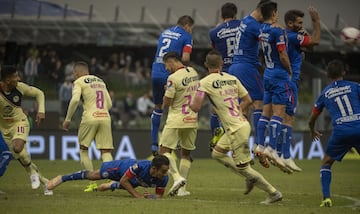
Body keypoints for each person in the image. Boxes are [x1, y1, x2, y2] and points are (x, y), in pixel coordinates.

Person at [190, 50, 282, 204]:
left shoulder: (204, 82)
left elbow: (196, 107)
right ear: (221, 64)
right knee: (217, 154)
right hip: (240, 123)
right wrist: (237, 109)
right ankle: (249, 175)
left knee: (244, 168)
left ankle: (273, 193)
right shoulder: (232, 79)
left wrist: (190, 100)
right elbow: (248, 99)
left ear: (205, 65)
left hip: (236, 129)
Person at [308, 60, 360, 207]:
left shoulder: (325, 93)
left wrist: (312, 131)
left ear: (327, 74)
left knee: (326, 163)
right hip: (358, 126)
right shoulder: (355, 87)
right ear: (344, 72)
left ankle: (326, 199)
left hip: (341, 131)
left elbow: (312, 118)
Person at [277, 7, 321, 172]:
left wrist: (304, 33)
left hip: (284, 80)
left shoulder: (286, 35)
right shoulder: (293, 37)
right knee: (288, 118)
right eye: (300, 22)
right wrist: (316, 22)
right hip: (290, 80)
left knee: (284, 117)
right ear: (290, 23)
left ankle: (282, 154)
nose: (302, 25)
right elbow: (315, 43)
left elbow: (311, 48)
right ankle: (285, 155)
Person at [0, 65, 52, 195]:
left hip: (20, 123)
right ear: (7, 80)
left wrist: (41, 111)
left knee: (18, 148)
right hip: (3, 130)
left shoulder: (20, 87)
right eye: (15, 77)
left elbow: (39, 93)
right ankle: (44, 181)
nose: (18, 78)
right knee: (21, 156)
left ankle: (33, 174)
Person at [63, 61, 114, 192]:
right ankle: (112, 180)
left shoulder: (79, 82)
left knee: (83, 149)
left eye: (74, 74)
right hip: (105, 117)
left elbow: (74, 100)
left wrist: (68, 119)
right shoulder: (100, 81)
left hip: (90, 117)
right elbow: (109, 104)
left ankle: (92, 184)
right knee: (105, 151)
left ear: (76, 73)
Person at [254, 1, 293, 173]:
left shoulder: (261, 29)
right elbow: (283, 54)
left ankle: (260, 145)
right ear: (275, 13)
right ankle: (271, 149)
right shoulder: (278, 31)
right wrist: (289, 71)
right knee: (279, 113)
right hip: (279, 74)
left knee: (265, 112)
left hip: (267, 73)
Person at [151, 15, 194, 156]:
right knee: (176, 105)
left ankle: (153, 144)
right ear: (187, 25)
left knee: (158, 107)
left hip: (156, 72)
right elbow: (186, 58)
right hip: (171, 73)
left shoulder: (165, 32)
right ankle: (175, 141)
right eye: (191, 28)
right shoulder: (186, 36)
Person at [228, 0, 269, 150]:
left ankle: (239, 143)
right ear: (262, 11)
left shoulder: (245, 20)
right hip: (246, 67)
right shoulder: (254, 26)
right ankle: (259, 144)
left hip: (235, 67)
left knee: (244, 105)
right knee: (259, 103)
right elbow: (269, 40)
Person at [158, 52, 199, 197]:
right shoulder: (193, 72)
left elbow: (168, 102)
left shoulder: (173, 78)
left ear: (171, 62)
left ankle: (177, 178)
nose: (166, 68)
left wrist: (163, 102)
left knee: (164, 151)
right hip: (192, 119)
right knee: (186, 154)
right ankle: (182, 189)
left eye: (165, 65)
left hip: (176, 118)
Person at [47, 155, 170, 199]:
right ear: (154, 169)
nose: (165, 174)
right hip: (121, 168)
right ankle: (62, 178)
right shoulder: (140, 167)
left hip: (133, 180)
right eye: (163, 171)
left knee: (128, 185)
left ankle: (111, 185)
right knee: (94, 176)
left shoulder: (164, 179)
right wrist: (137, 195)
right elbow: (124, 180)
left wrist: (152, 196)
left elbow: (159, 195)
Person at [208, 2, 241, 144]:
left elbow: (214, 51)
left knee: (216, 108)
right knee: (239, 108)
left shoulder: (214, 32)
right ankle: (236, 142)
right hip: (240, 69)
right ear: (235, 14)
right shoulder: (243, 25)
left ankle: (216, 136)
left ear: (221, 16)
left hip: (223, 71)